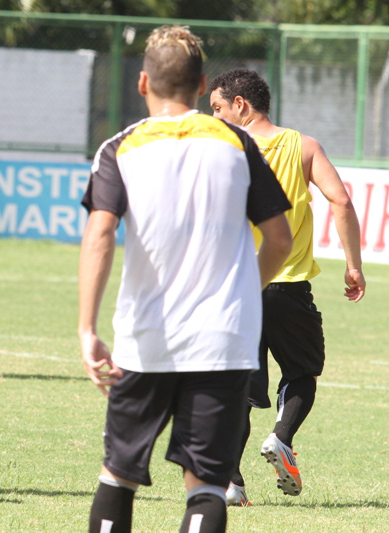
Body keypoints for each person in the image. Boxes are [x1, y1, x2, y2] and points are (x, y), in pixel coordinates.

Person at [79, 25, 294, 533]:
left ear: (142, 83)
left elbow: (100, 234)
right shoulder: (237, 143)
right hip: (223, 341)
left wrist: (87, 329)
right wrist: (243, 292)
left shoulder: (119, 148)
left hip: (144, 339)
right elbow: (280, 241)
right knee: (204, 486)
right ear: (202, 86)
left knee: (119, 477)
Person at [209, 68, 366, 505]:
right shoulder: (305, 147)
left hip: (238, 287)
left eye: (218, 108)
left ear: (240, 104)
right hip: (290, 287)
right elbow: (342, 201)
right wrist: (353, 265)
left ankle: (230, 483)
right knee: (301, 374)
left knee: (239, 388)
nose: (216, 118)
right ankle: (281, 436)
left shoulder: (222, 149)